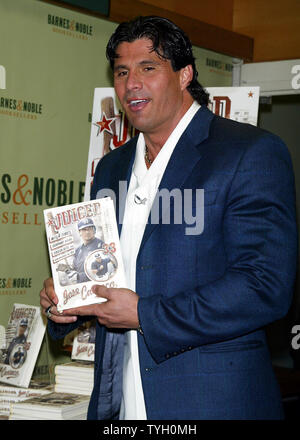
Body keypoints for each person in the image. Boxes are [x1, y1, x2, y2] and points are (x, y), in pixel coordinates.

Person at [40, 16, 297, 420]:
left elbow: (264, 285)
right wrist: (68, 302)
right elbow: (104, 277)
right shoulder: (111, 167)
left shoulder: (248, 152)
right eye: (122, 72)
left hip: (212, 403)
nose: (131, 84)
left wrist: (145, 314)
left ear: (184, 75)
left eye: (148, 67)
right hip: (120, 403)